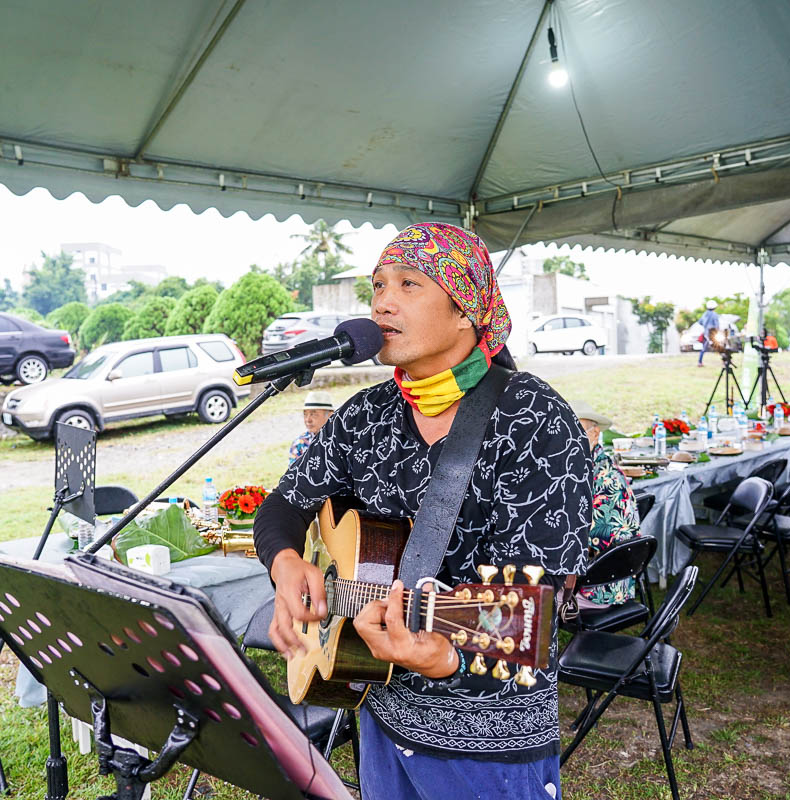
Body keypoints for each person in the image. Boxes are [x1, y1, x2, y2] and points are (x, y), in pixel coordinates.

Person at [254, 222, 591, 798]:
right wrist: (287, 566)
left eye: (409, 284)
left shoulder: (534, 421)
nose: (383, 301)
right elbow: (285, 504)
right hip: (380, 712)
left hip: (489, 744)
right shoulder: (365, 415)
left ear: (466, 310)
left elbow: (524, 619)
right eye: (378, 285)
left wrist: (443, 658)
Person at [571, 400, 644, 605]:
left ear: (594, 434)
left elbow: (587, 543)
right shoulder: (592, 466)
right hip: (608, 582)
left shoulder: (604, 480)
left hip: (598, 590)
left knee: (531, 598)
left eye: (577, 431)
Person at [287, 390, 335, 466]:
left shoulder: (341, 438)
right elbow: (293, 474)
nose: (308, 420)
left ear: (330, 415)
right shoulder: (300, 443)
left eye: (313, 414)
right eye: (305, 414)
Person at [697, 300, 720, 367]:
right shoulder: (714, 314)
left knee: (703, 349)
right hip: (712, 333)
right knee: (719, 346)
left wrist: (705, 325)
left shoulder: (704, 314)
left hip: (705, 333)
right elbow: (717, 325)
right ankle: (725, 361)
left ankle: (699, 362)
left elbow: (700, 322)